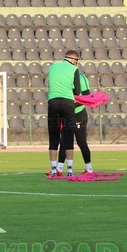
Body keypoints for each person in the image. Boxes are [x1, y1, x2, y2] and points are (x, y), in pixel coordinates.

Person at [47, 49, 81, 177]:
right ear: (73, 60)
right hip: (67, 103)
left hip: (53, 103)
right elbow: (77, 91)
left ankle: (54, 170)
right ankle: (70, 170)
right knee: (68, 136)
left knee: (54, 136)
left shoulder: (52, 67)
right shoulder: (74, 69)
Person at [56, 69, 93, 176]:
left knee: (81, 141)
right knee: (64, 140)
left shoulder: (81, 78)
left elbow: (87, 96)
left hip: (78, 114)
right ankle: (59, 169)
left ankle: (89, 169)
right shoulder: (63, 78)